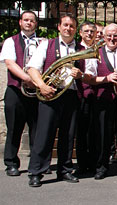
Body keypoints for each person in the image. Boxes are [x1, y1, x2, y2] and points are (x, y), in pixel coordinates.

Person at [26, 15, 85, 187]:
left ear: (75, 29)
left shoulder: (80, 49)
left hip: (71, 94)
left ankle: (65, 170)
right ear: (59, 27)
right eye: (65, 25)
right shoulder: (47, 44)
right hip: (50, 93)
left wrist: (80, 75)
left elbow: (87, 74)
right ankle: (36, 172)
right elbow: (32, 68)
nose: (68, 28)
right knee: (44, 134)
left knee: (68, 134)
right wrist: (42, 85)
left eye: (72, 26)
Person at [81, 23, 117, 180]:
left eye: (115, 36)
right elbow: (89, 78)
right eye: (109, 36)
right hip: (103, 98)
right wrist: (107, 78)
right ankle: (101, 166)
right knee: (103, 134)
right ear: (104, 37)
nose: (112, 38)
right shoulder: (96, 53)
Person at [0, 10, 39, 177]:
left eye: (32, 21)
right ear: (20, 23)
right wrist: (28, 78)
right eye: (26, 20)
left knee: (37, 130)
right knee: (14, 128)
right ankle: (11, 163)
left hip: (36, 92)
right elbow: (10, 63)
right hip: (16, 90)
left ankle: (36, 164)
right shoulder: (11, 41)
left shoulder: (43, 42)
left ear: (36, 24)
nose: (29, 23)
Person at [75, 21, 97, 175]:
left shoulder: (98, 49)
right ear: (81, 33)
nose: (89, 34)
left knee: (95, 131)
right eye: (86, 31)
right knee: (82, 131)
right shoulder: (76, 49)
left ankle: (94, 163)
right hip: (81, 93)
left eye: (92, 31)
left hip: (97, 94)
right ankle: (82, 165)